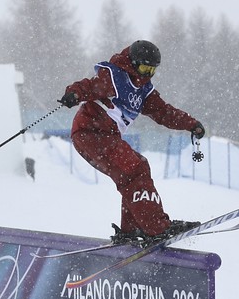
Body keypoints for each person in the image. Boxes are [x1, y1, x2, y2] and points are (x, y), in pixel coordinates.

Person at [59, 40, 205, 244]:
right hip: (90, 133)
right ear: (133, 63)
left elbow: (163, 112)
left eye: (152, 71)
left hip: (107, 137)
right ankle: (155, 226)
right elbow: (89, 86)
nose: (146, 75)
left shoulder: (144, 91)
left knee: (138, 167)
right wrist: (74, 93)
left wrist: (191, 124)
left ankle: (134, 226)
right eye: (144, 68)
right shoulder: (115, 77)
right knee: (134, 168)